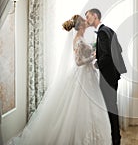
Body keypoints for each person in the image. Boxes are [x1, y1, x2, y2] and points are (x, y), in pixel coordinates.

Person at [9, 15, 111, 145]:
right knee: (80, 108)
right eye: (84, 21)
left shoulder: (81, 38)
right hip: (82, 76)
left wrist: (92, 54)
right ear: (80, 26)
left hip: (87, 75)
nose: (87, 22)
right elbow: (78, 62)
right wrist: (93, 57)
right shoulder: (79, 40)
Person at [85, 8, 126, 145]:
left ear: (95, 16)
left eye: (88, 16)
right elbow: (118, 49)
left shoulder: (102, 32)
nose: (86, 20)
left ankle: (115, 139)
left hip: (108, 75)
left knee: (110, 107)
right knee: (111, 105)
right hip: (113, 74)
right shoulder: (108, 29)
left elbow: (107, 55)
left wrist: (96, 64)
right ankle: (115, 137)